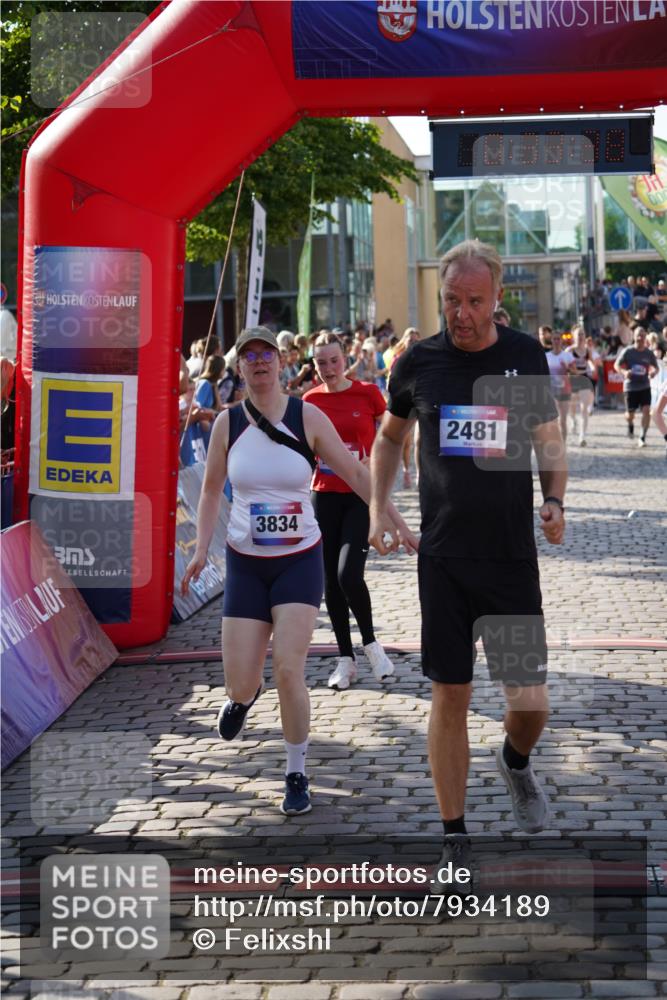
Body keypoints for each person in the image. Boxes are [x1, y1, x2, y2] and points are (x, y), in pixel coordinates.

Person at [368, 240, 567, 886]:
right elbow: (388, 438)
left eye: (472, 302)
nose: (460, 313)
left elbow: (547, 439)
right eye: (450, 300)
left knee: (530, 703)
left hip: (509, 557)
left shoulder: (521, 355)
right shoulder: (417, 363)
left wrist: (553, 499)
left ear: (496, 300)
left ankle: (513, 761)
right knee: (448, 695)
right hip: (444, 558)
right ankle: (453, 837)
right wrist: (378, 505)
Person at [182, 326, 417, 816]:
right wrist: (202, 549)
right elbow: (208, 492)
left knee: (289, 667)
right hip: (246, 564)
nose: (260, 362)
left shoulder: (305, 415)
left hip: (298, 560)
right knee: (240, 682)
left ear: (281, 364)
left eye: (267, 353)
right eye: (249, 355)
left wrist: (394, 520)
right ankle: (244, 699)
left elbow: (356, 474)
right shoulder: (228, 424)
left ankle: (295, 772)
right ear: (240, 368)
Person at [304, 332, 395, 690]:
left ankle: (372, 645)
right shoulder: (309, 401)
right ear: (313, 365)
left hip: (359, 494)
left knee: (348, 574)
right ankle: (346, 659)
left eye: (334, 360)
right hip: (322, 496)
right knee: (330, 582)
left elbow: (390, 436)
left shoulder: (368, 393)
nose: (328, 368)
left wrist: (383, 465)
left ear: (346, 359)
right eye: (320, 362)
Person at [614, 327, 660, 447]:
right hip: (630, 387)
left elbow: (656, 367)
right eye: (638, 336)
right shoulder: (628, 351)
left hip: (645, 386)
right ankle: (630, 424)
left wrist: (653, 372)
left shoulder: (648, 353)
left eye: (643, 336)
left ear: (646, 337)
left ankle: (642, 437)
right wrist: (624, 373)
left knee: (646, 411)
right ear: (633, 337)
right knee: (630, 415)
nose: (640, 338)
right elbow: (616, 365)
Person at [388, 327, 422, 487]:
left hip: (421, 401)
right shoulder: (398, 359)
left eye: (416, 340)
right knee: (405, 441)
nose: (413, 343)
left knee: (418, 439)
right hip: (404, 402)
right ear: (404, 342)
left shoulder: (425, 358)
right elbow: (391, 381)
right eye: (410, 340)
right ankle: (405, 470)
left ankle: (418, 473)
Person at [568, 325, 595, 446]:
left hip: (584, 379)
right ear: (573, 336)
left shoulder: (587, 350)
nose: (580, 336)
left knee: (584, 408)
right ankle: (573, 420)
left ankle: (582, 436)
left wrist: (592, 368)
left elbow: (590, 361)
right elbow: (565, 365)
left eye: (582, 334)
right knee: (572, 407)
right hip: (572, 380)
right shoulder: (569, 351)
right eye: (578, 334)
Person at [545, 331, 573, 442]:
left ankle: (563, 444)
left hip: (565, 390)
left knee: (563, 420)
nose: (556, 341)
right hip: (551, 390)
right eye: (554, 339)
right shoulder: (546, 356)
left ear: (562, 340)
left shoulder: (567, 356)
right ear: (551, 340)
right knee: (553, 419)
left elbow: (575, 372)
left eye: (558, 339)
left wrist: (567, 368)